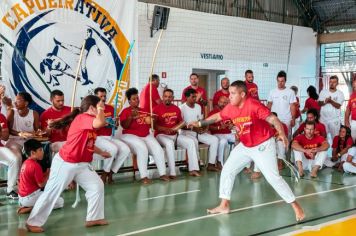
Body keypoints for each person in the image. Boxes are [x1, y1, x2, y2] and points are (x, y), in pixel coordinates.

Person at [189, 80, 304, 221]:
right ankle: (224, 204)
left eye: (232, 93)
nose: (229, 96)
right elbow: (218, 116)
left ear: (242, 94)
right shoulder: (231, 107)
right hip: (245, 145)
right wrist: (201, 123)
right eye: (229, 93)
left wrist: (281, 132)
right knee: (227, 170)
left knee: (273, 178)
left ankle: (295, 205)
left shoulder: (253, 105)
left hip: (263, 145)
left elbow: (273, 119)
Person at [26, 95, 110, 233]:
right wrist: (100, 109)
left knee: (96, 186)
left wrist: (101, 152)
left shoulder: (89, 122)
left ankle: (94, 218)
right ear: (92, 108)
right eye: (101, 107)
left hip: (81, 164)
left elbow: (88, 143)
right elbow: (100, 122)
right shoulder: (83, 118)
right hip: (66, 163)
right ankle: (32, 222)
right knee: (52, 192)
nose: (104, 109)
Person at [119, 88, 169, 184]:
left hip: (146, 135)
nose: (137, 100)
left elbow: (150, 124)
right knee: (142, 148)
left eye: (137, 98)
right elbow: (124, 126)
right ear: (129, 101)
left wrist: (153, 119)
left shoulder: (144, 110)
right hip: (131, 135)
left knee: (158, 150)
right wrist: (131, 117)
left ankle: (162, 173)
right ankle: (143, 176)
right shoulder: (126, 111)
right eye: (134, 99)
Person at [153, 89, 201, 178]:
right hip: (161, 135)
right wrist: (165, 129)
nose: (167, 98)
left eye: (170, 97)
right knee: (169, 143)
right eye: (166, 96)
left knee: (190, 142)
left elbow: (181, 122)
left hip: (175, 134)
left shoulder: (176, 108)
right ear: (162, 97)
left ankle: (193, 169)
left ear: (173, 98)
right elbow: (154, 126)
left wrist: (176, 128)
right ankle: (172, 172)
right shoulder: (156, 109)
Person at [94, 87, 130, 184]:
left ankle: (111, 172)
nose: (103, 98)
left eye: (104, 96)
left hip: (110, 137)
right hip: (97, 138)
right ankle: (104, 173)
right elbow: (91, 127)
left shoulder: (110, 108)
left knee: (126, 149)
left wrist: (116, 123)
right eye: (100, 96)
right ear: (95, 97)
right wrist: (102, 123)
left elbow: (116, 127)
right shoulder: (93, 109)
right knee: (113, 149)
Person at [17, 139, 64, 214]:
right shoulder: (35, 165)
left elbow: (37, 179)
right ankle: (32, 208)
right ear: (32, 153)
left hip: (22, 198)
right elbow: (41, 184)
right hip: (31, 197)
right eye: (40, 150)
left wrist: (46, 173)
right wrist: (49, 174)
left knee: (51, 195)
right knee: (60, 202)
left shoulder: (26, 162)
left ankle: (28, 205)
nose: (43, 152)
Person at [180, 88, 220, 171]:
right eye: (193, 97)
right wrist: (194, 129)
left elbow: (200, 120)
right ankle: (196, 163)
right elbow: (181, 125)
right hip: (186, 133)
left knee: (214, 140)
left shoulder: (198, 107)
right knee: (193, 141)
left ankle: (211, 164)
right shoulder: (181, 108)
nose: (195, 99)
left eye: (196, 97)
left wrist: (204, 128)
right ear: (186, 97)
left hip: (198, 132)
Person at [6, 92, 40, 161]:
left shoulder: (34, 114)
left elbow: (37, 131)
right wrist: (19, 133)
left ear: (26, 103)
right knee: (17, 157)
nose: (15, 102)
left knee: (37, 156)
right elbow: (6, 130)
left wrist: (38, 133)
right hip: (14, 141)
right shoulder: (12, 112)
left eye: (18, 100)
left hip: (28, 142)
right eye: (15, 100)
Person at [267, 71, 296, 138]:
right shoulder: (272, 92)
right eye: (278, 81)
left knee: (286, 137)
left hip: (286, 119)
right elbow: (269, 105)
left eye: (282, 81)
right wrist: (267, 117)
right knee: (275, 136)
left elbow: (292, 106)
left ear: (285, 81)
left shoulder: (290, 92)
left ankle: (286, 148)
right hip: (275, 119)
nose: (280, 83)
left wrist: (293, 119)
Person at [208, 96, 235, 169]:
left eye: (225, 103)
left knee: (240, 139)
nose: (223, 104)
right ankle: (219, 162)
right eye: (222, 102)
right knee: (223, 141)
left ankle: (235, 161)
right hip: (217, 134)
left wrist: (231, 126)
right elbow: (208, 127)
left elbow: (233, 124)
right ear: (218, 102)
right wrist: (219, 127)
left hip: (228, 133)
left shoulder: (229, 112)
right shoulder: (213, 112)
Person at [0, 113, 21, 199]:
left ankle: (10, 190)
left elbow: (5, 137)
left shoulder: (1, 116)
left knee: (14, 159)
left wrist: (1, 131)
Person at [318, 75, 344, 142]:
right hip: (323, 119)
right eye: (330, 82)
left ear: (337, 83)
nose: (332, 84)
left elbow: (338, 105)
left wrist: (330, 101)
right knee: (322, 139)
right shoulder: (323, 92)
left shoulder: (340, 94)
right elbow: (319, 103)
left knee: (336, 140)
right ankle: (323, 152)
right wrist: (325, 101)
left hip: (334, 119)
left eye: (334, 82)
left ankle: (336, 152)